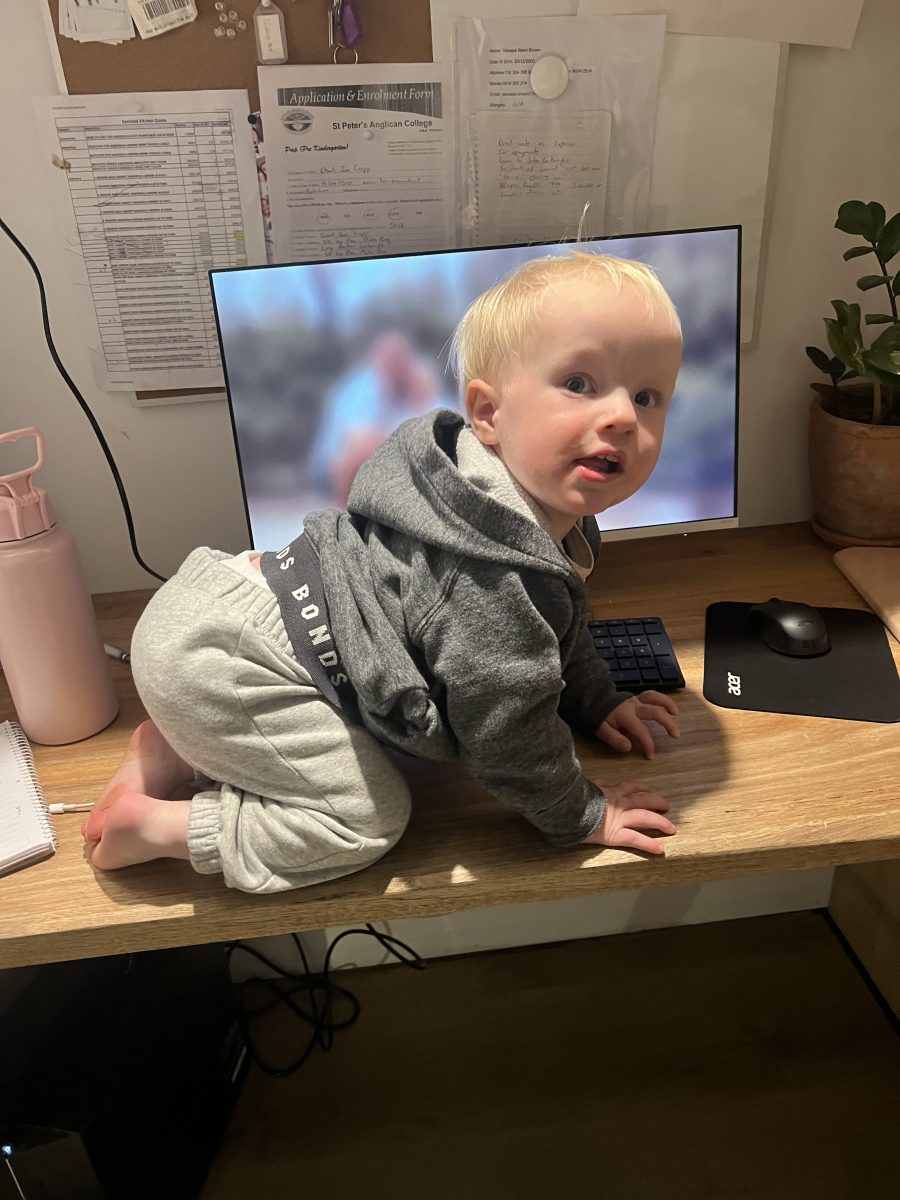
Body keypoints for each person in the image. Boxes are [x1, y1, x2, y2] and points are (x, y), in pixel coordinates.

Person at [83, 251, 683, 893]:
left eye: (647, 397)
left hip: (220, 612)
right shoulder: (487, 577)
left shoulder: (510, 509)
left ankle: (173, 746)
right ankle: (149, 827)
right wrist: (582, 813)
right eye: (580, 383)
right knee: (366, 820)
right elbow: (506, 737)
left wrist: (594, 702)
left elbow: (560, 624)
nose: (623, 416)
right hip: (231, 659)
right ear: (487, 413)